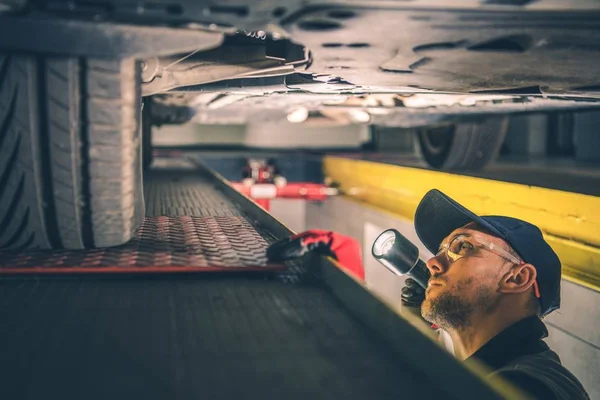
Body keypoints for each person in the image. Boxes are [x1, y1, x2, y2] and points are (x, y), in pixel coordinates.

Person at [400, 189, 589, 399]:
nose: (432, 263)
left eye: (462, 246)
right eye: (441, 251)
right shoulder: (502, 376)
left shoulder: (524, 388)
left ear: (517, 278)